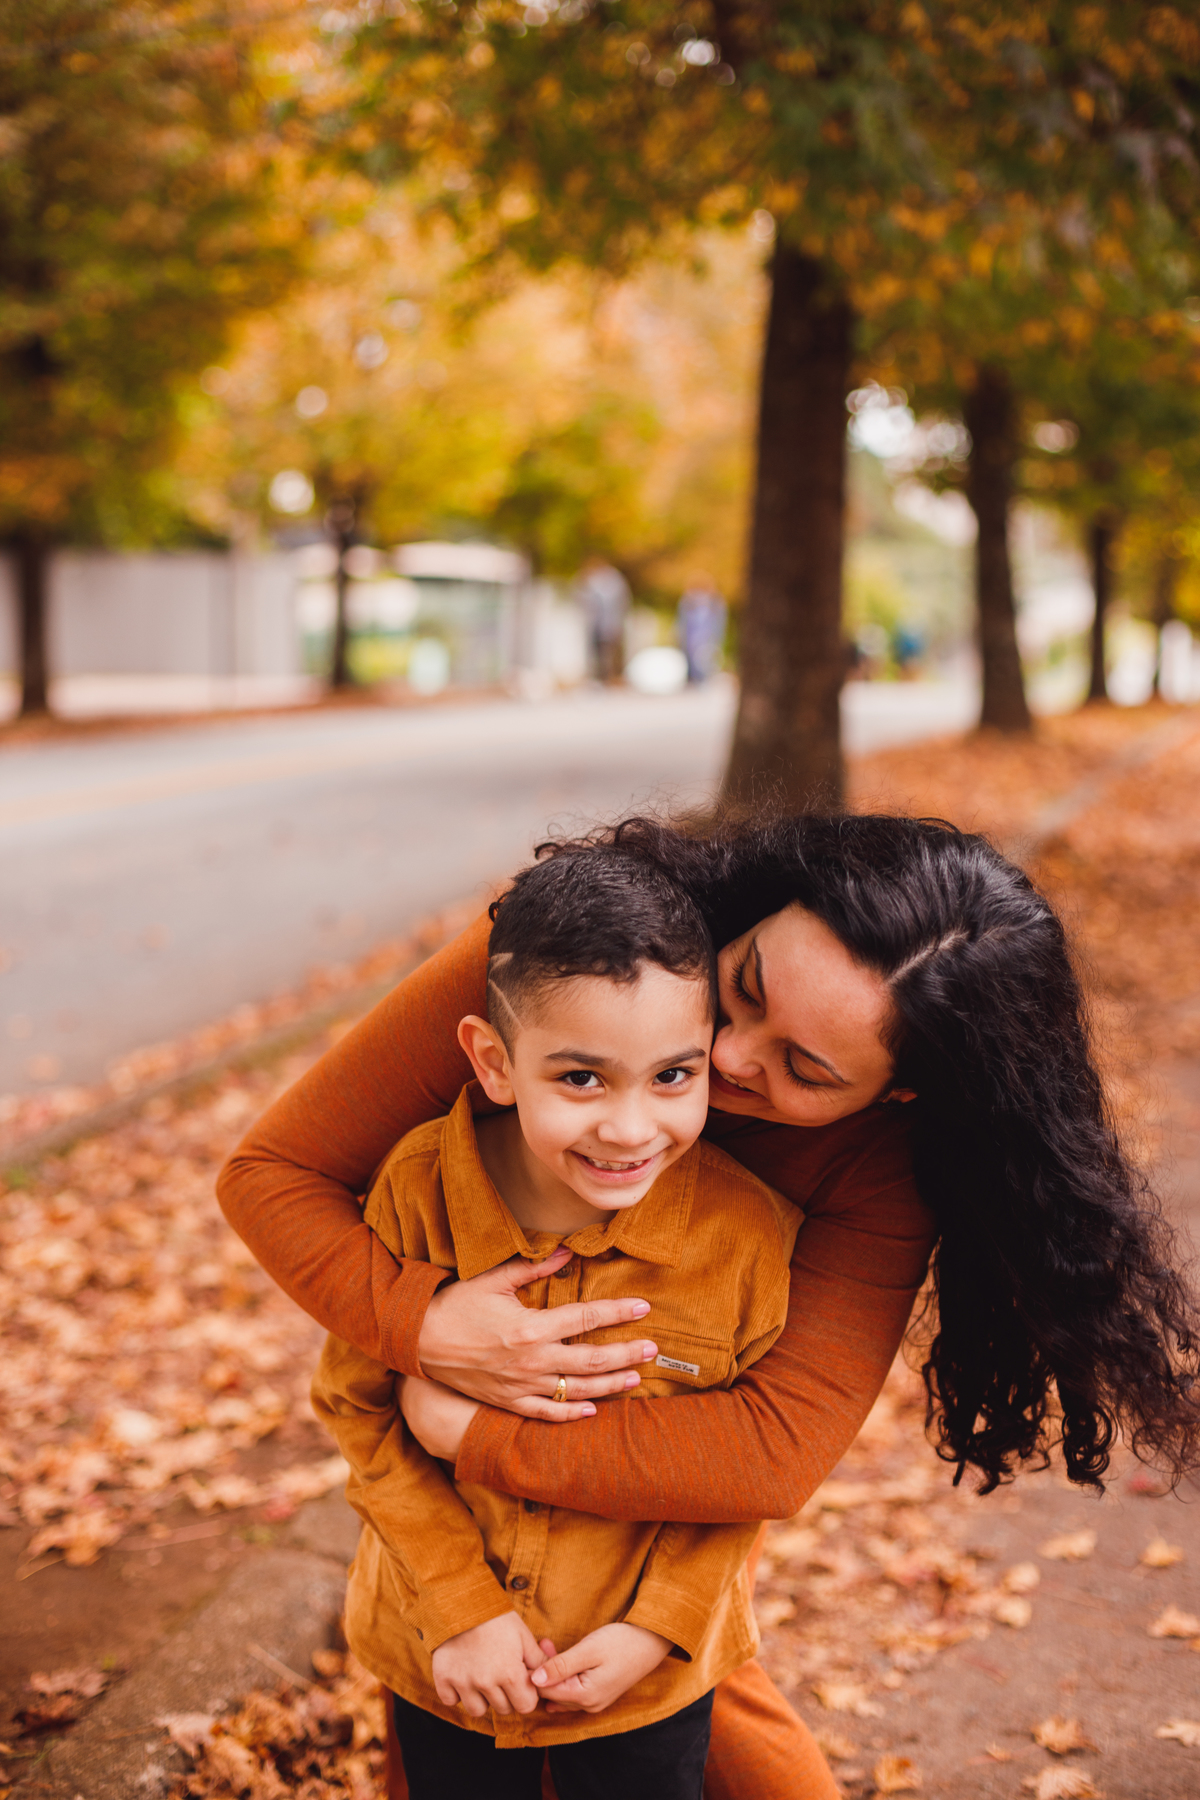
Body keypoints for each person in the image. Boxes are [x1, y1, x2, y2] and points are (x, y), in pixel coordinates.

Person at [218, 811, 1200, 1800]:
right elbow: (273, 1172)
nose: (730, 1059)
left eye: (804, 1069)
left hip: (647, 1559)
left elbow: (769, 1449)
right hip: (465, 1577)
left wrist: (479, 1434)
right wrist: (424, 1326)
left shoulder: (875, 1173)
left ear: (898, 1097)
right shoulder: (579, 957)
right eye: (744, 990)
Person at [313, 850, 804, 1799]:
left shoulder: (745, 1238)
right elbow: (359, 1408)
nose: (630, 1128)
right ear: (495, 1063)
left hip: (640, 1676)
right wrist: (458, 1606)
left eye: (673, 1075)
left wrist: (657, 1625)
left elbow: (742, 1473)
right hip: (438, 1649)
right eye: (582, 1078)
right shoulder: (416, 1191)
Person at [575, 558, 631, 683]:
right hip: (596, 625)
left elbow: (620, 604)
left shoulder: (614, 582)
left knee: (609, 653)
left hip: (610, 625)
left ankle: (609, 678)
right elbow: (583, 599)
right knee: (597, 653)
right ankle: (600, 678)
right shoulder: (594, 582)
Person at [676, 579, 726, 684]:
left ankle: (702, 681)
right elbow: (683, 624)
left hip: (706, 640)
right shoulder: (687, 603)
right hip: (692, 640)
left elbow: (719, 624)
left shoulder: (715, 603)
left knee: (705, 663)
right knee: (692, 663)